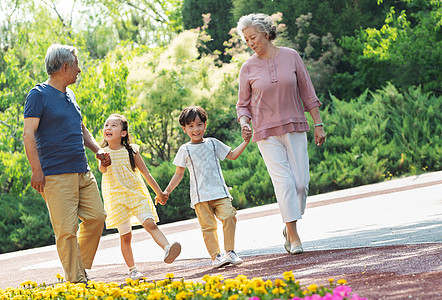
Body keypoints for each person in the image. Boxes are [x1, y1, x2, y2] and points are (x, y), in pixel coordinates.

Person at [236, 13, 326, 255]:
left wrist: (318, 124)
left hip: (295, 125)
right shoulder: (248, 67)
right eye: (246, 40)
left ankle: (289, 225)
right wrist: (244, 122)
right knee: (284, 183)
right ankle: (294, 236)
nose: (250, 42)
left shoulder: (291, 56)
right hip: (265, 133)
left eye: (253, 37)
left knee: (301, 183)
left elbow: (308, 92)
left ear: (266, 33)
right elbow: (242, 104)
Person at [23, 44, 109, 283]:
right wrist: (36, 170)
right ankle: (77, 280)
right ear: (64, 67)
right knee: (67, 231)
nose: (79, 70)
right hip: (55, 175)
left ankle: (78, 267)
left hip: (82, 170)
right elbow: (28, 134)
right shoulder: (38, 94)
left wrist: (98, 149)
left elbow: (81, 130)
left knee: (97, 217)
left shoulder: (70, 95)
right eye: (76, 64)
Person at [162, 106, 251, 268]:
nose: (196, 129)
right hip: (200, 197)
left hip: (220, 193)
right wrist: (167, 191)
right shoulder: (185, 149)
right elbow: (178, 174)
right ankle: (216, 257)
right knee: (208, 227)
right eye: (190, 126)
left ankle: (230, 252)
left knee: (229, 216)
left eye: (199, 124)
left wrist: (245, 141)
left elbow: (232, 155)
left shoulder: (213, 143)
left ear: (205, 125)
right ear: (184, 129)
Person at [99, 114, 181, 280]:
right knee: (126, 236)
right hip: (116, 198)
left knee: (149, 223)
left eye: (114, 125)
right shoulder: (102, 152)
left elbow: (146, 174)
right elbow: (102, 170)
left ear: (123, 133)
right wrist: (103, 162)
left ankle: (167, 248)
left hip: (136, 194)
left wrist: (160, 193)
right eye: (107, 125)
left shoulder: (132, 150)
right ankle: (133, 269)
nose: (108, 128)